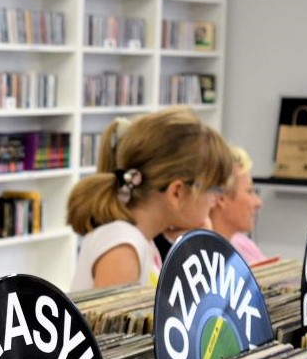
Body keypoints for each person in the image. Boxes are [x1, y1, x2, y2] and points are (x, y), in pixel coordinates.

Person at [68, 107, 233, 291]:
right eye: (213, 189)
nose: (217, 200)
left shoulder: (143, 240)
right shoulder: (123, 247)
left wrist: (198, 243)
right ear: (176, 193)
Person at [209, 145, 266, 264]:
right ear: (221, 198)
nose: (258, 203)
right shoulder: (202, 262)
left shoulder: (244, 244)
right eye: (249, 191)